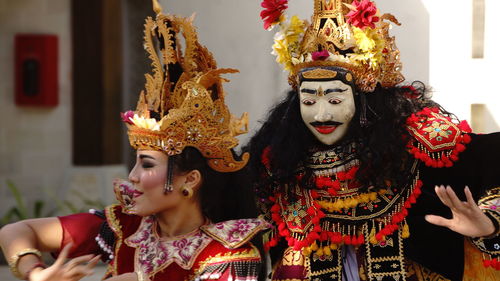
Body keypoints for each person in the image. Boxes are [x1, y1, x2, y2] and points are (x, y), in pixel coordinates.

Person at [0, 1, 268, 280]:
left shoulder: (228, 252)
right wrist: (35, 273)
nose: (133, 176)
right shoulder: (125, 227)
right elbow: (17, 231)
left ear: (189, 180)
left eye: (147, 164)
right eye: (136, 163)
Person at [245, 0, 500, 280]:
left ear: (363, 100)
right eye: (308, 101)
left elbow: (490, 166)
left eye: (334, 99)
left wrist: (488, 227)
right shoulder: (279, 166)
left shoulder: (420, 145)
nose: (321, 114)